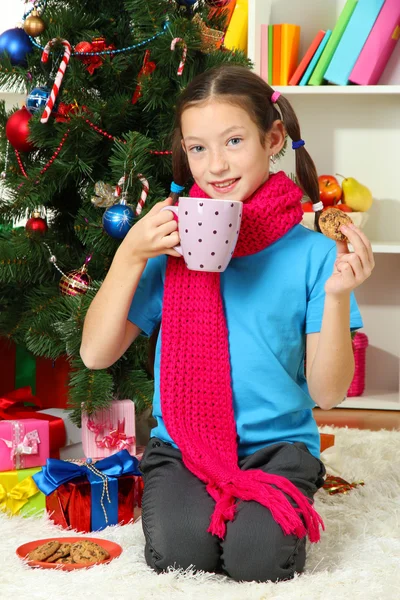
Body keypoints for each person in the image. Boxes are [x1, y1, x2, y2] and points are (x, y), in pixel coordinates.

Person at [80, 65, 374, 583]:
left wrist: (336, 298)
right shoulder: (169, 246)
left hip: (278, 447)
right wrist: (129, 255)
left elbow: (328, 394)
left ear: (273, 137)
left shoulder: (312, 255)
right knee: (180, 554)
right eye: (198, 148)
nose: (215, 165)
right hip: (184, 445)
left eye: (234, 140)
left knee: (257, 559)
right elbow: (95, 355)